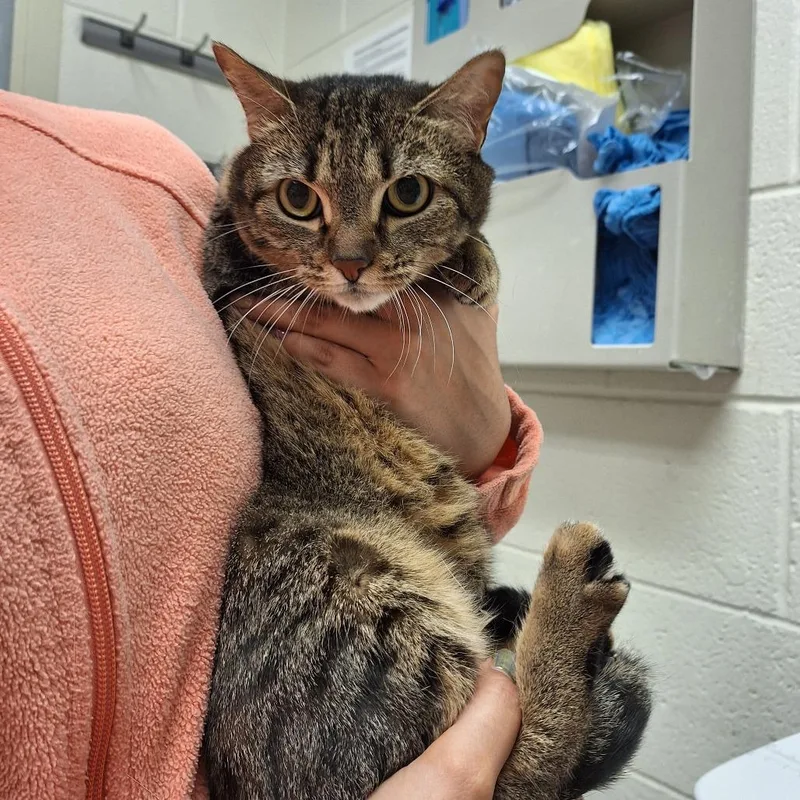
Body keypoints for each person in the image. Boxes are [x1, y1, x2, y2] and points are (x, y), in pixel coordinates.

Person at [0, 89, 542, 799]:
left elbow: (438, 497)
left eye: (404, 193)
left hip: (374, 616)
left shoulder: (149, 167)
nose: (349, 257)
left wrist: (486, 439)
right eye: (302, 199)